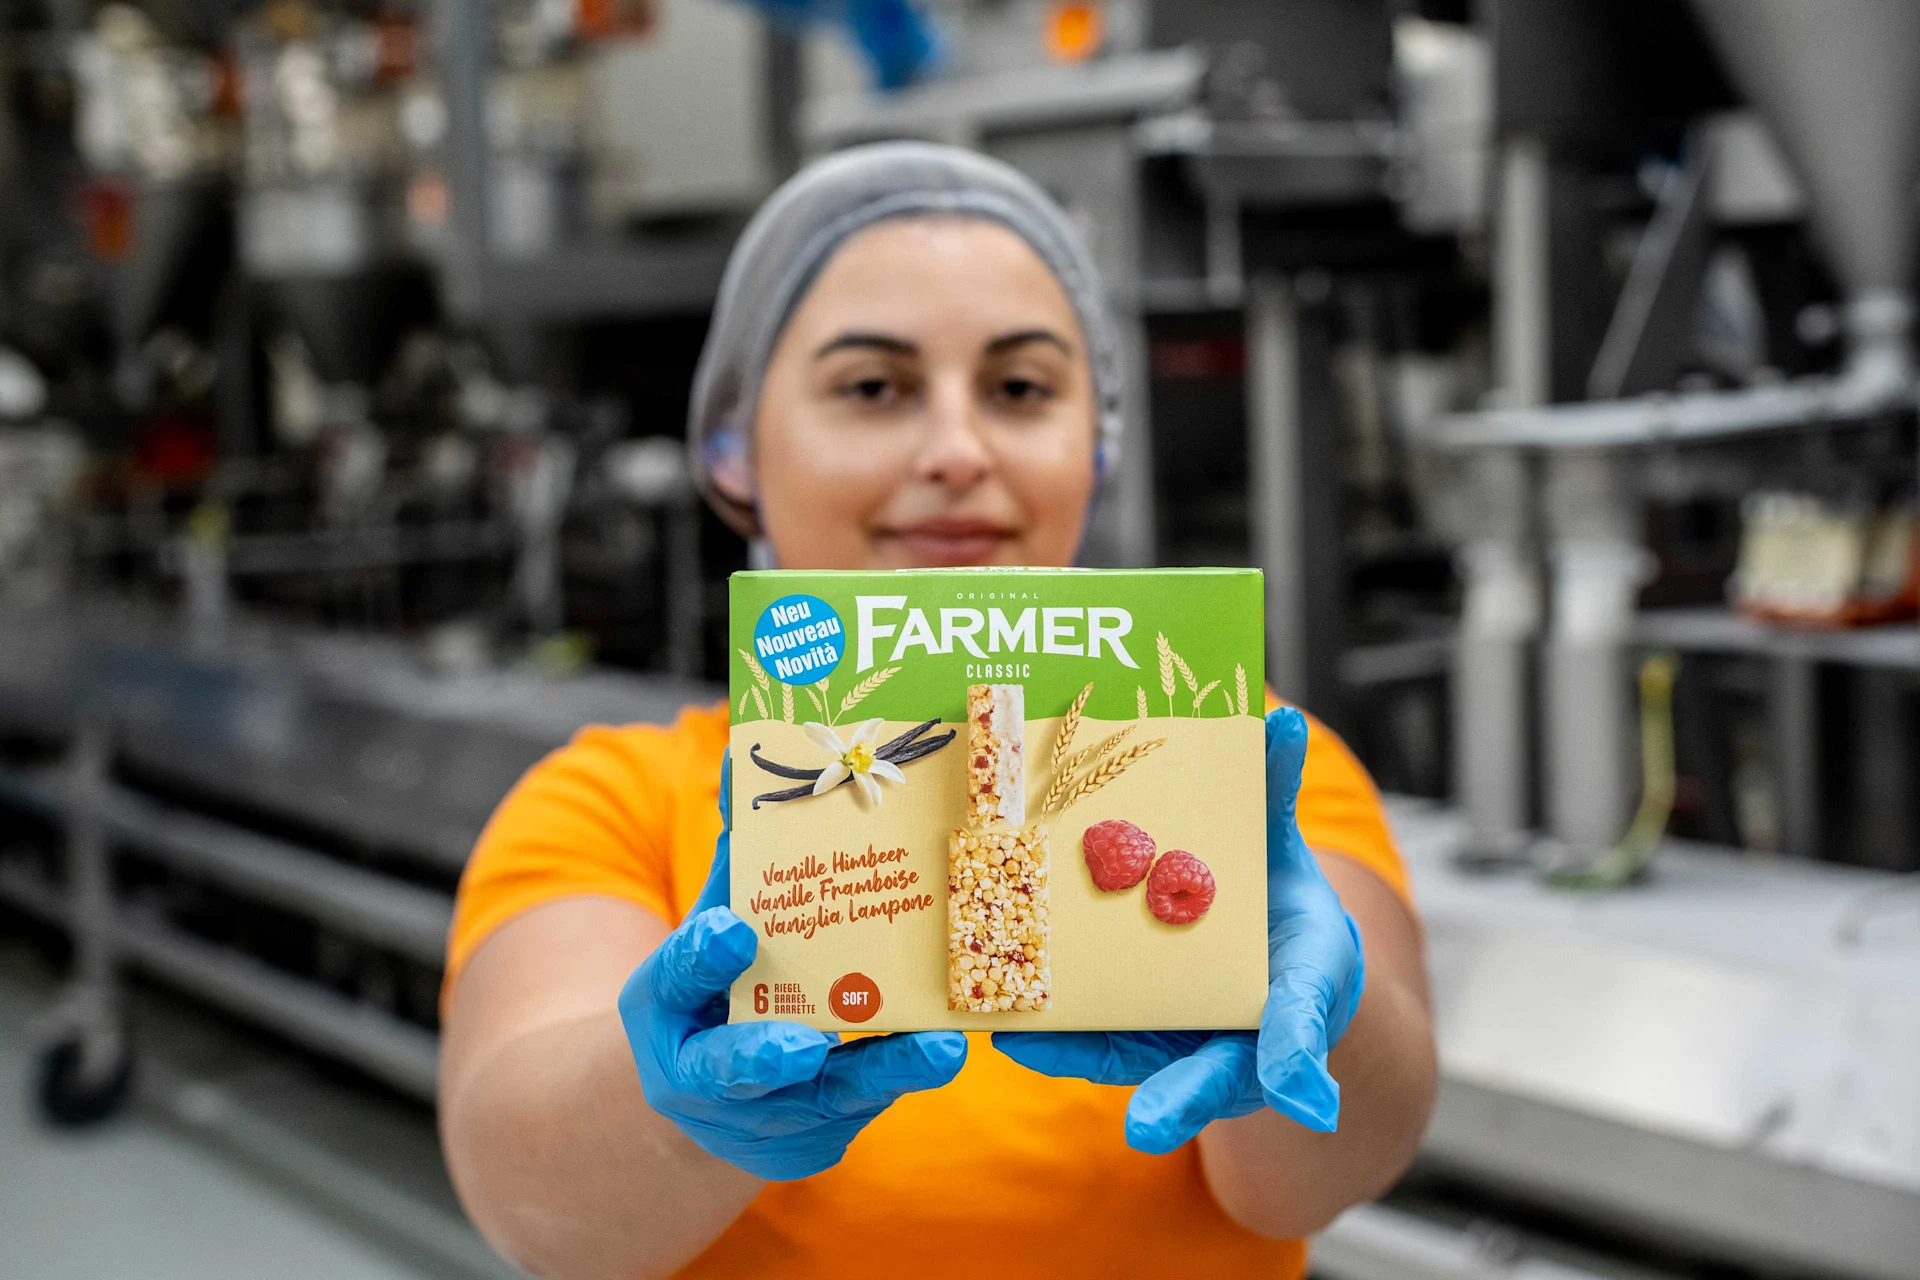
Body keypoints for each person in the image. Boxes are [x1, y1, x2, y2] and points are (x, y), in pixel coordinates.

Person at [439, 142, 1437, 1279]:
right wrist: (682, 1100)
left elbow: (1331, 1169)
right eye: (873, 387)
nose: (959, 452)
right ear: (733, 450)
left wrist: (1311, 1017)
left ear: (1094, 445)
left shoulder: (1238, 757)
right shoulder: (614, 798)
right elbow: (532, 1204)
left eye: (1020, 389)